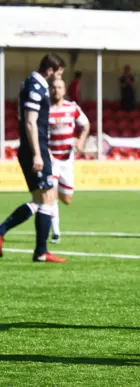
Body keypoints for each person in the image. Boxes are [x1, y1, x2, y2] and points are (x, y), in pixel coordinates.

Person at [0, 53, 67, 263]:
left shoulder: (32, 84)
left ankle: (9, 235)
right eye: (58, 74)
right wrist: (38, 153)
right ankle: (40, 251)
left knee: (40, 199)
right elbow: (30, 122)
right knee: (46, 197)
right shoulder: (35, 87)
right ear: (50, 70)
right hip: (33, 149)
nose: (58, 80)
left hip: (35, 148)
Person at [48, 78, 91, 244]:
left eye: (59, 87)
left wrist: (80, 141)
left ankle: (51, 195)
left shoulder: (72, 108)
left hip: (67, 159)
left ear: (64, 91)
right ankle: (56, 233)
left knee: (66, 199)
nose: (56, 90)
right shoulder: (45, 110)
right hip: (51, 159)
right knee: (51, 196)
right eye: (53, 87)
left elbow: (86, 125)